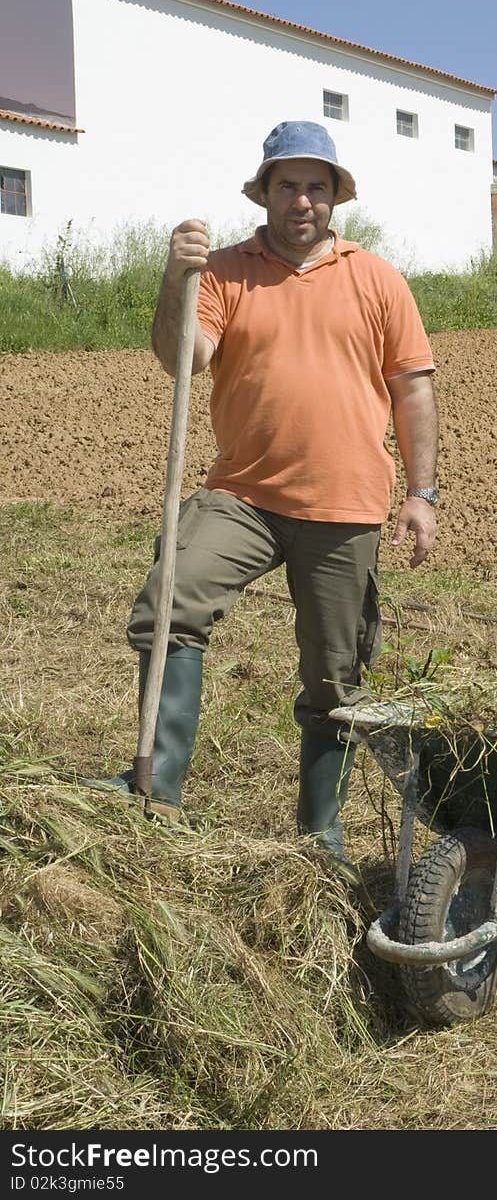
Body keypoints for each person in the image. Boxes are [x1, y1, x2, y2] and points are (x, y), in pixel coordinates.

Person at [91, 120, 439, 876]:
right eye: (288, 185)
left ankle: (320, 834)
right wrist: (175, 279)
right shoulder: (223, 270)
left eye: (317, 185)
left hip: (345, 505)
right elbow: (181, 356)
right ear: (265, 192)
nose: (303, 200)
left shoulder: (377, 279)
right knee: (168, 603)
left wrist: (421, 492)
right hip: (242, 494)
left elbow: (411, 389)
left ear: (336, 195)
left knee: (335, 677)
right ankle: (157, 793)